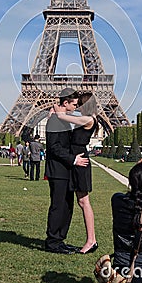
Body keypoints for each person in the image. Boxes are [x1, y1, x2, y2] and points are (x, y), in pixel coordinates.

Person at [45, 88, 89, 255]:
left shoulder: (60, 119)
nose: (76, 107)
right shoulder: (55, 121)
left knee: (67, 206)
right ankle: (53, 241)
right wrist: (74, 159)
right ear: (65, 103)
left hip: (65, 170)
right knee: (58, 206)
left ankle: (59, 239)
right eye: (74, 104)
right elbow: (54, 147)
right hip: (58, 171)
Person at [53, 91, 98, 254]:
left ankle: (91, 240)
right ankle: (91, 239)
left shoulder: (88, 119)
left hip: (81, 162)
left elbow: (64, 117)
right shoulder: (87, 118)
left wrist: (57, 109)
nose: (77, 107)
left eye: (79, 104)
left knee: (84, 202)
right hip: (77, 160)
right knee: (81, 202)